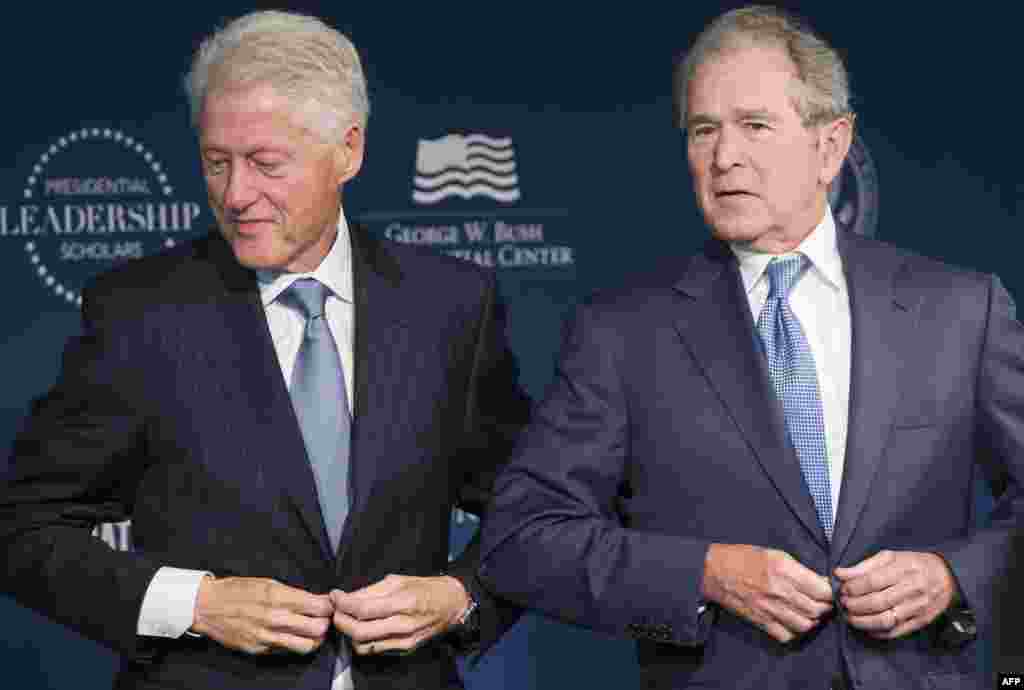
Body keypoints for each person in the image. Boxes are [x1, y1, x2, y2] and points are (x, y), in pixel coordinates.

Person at [479, 5, 1022, 689]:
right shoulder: (624, 331)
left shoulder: (960, 310)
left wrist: (954, 577)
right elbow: (522, 535)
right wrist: (705, 573)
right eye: (704, 130)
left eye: (755, 126)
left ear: (832, 147)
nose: (724, 155)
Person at [0, 10, 529, 690]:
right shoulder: (141, 312)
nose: (235, 194)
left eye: (265, 163)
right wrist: (194, 604)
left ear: (349, 150)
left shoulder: (451, 305)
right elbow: (24, 528)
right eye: (216, 163)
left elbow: (532, 515)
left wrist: (459, 597)